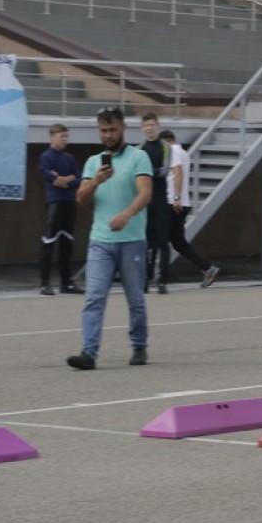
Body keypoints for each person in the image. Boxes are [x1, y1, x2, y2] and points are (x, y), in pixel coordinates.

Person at [66, 106, 153, 370]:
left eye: (112, 129)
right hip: (100, 241)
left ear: (123, 127)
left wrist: (127, 214)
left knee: (135, 298)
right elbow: (80, 199)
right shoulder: (94, 163)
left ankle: (139, 346)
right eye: (103, 130)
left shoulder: (139, 157)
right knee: (94, 296)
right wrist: (95, 182)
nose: (108, 135)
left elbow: (145, 193)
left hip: (132, 239)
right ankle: (89, 353)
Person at [158, 130, 220, 288]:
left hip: (173, 202)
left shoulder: (172, 152)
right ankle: (207, 268)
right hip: (183, 203)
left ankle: (158, 278)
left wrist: (176, 198)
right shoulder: (183, 152)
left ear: (165, 142)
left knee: (158, 238)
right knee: (179, 242)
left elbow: (178, 174)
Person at [37, 123, 83, 295]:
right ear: (52, 137)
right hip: (55, 203)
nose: (65, 140)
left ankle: (66, 283)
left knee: (67, 244)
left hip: (69, 203)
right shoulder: (46, 157)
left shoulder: (69, 158)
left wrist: (66, 180)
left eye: (66, 136)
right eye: (62, 136)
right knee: (49, 243)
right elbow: (52, 181)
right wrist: (67, 180)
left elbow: (79, 179)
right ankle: (45, 283)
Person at [139, 112, 171, 293]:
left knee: (163, 241)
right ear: (142, 128)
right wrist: (149, 172)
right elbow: (137, 174)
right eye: (146, 125)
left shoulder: (166, 147)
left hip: (161, 199)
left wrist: (148, 171)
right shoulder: (139, 149)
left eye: (152, 125)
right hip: (145, 200)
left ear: (157, 126)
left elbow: (164, 170)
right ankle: (146, 277)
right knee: (146, 242)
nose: (149, 128)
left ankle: (162, 280)